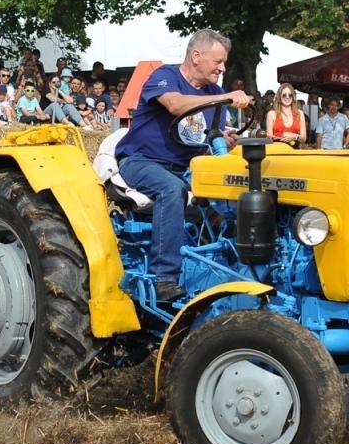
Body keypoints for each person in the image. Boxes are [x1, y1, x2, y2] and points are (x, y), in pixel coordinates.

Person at [115, 29, 253, 305]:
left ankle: (231, 266)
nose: (222, 68)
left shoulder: (215, 93)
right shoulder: (165, 77)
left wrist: (226, 138)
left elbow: (207, 137)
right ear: (196, 56)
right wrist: (224, 98)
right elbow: (176, 105)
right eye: (218, 61)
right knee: (171, 188)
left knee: (235, 190)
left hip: (184, 166)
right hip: (141, 161)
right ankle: (164, 277)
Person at [266, 83, 307, 148]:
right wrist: (281, 136)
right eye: (284, 95)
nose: (287, 97)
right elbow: (268, 138)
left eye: (290, 95)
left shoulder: (299, 113)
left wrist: (294, 136)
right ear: (279, 96)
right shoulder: (271, 114)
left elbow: (304, 138)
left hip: (294, 152)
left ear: (293, 97)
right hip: (276, 151)